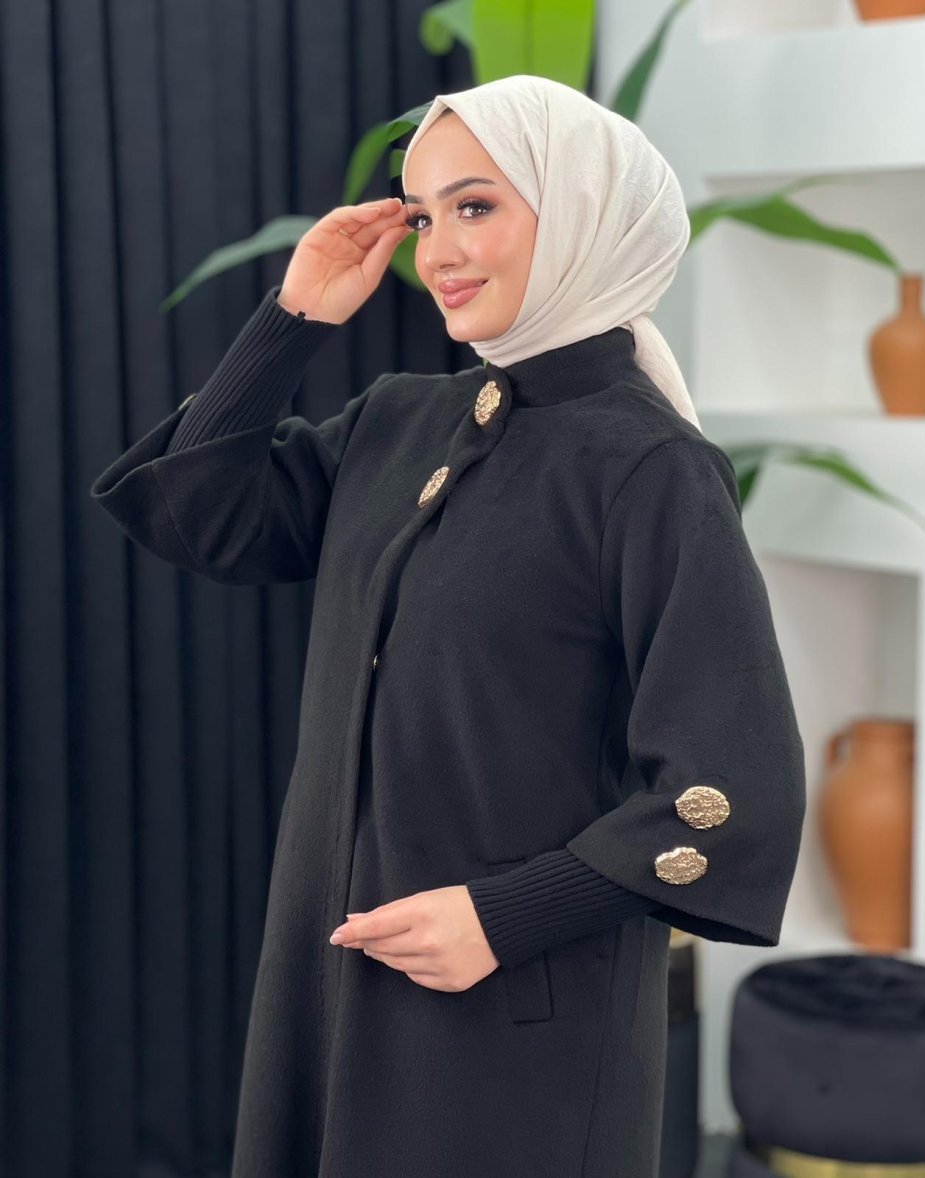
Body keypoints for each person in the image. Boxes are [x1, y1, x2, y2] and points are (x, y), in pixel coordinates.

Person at [91, 74, 806, 1178]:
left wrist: (503, 918)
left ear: (579, 212)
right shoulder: (398, 422)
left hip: (514, 1030)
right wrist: (291, 319)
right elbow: (202, 516)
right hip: (329, 991)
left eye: (475, 206)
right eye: (423, 218)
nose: (439, 252)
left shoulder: (651, 469)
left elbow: (731, 790)